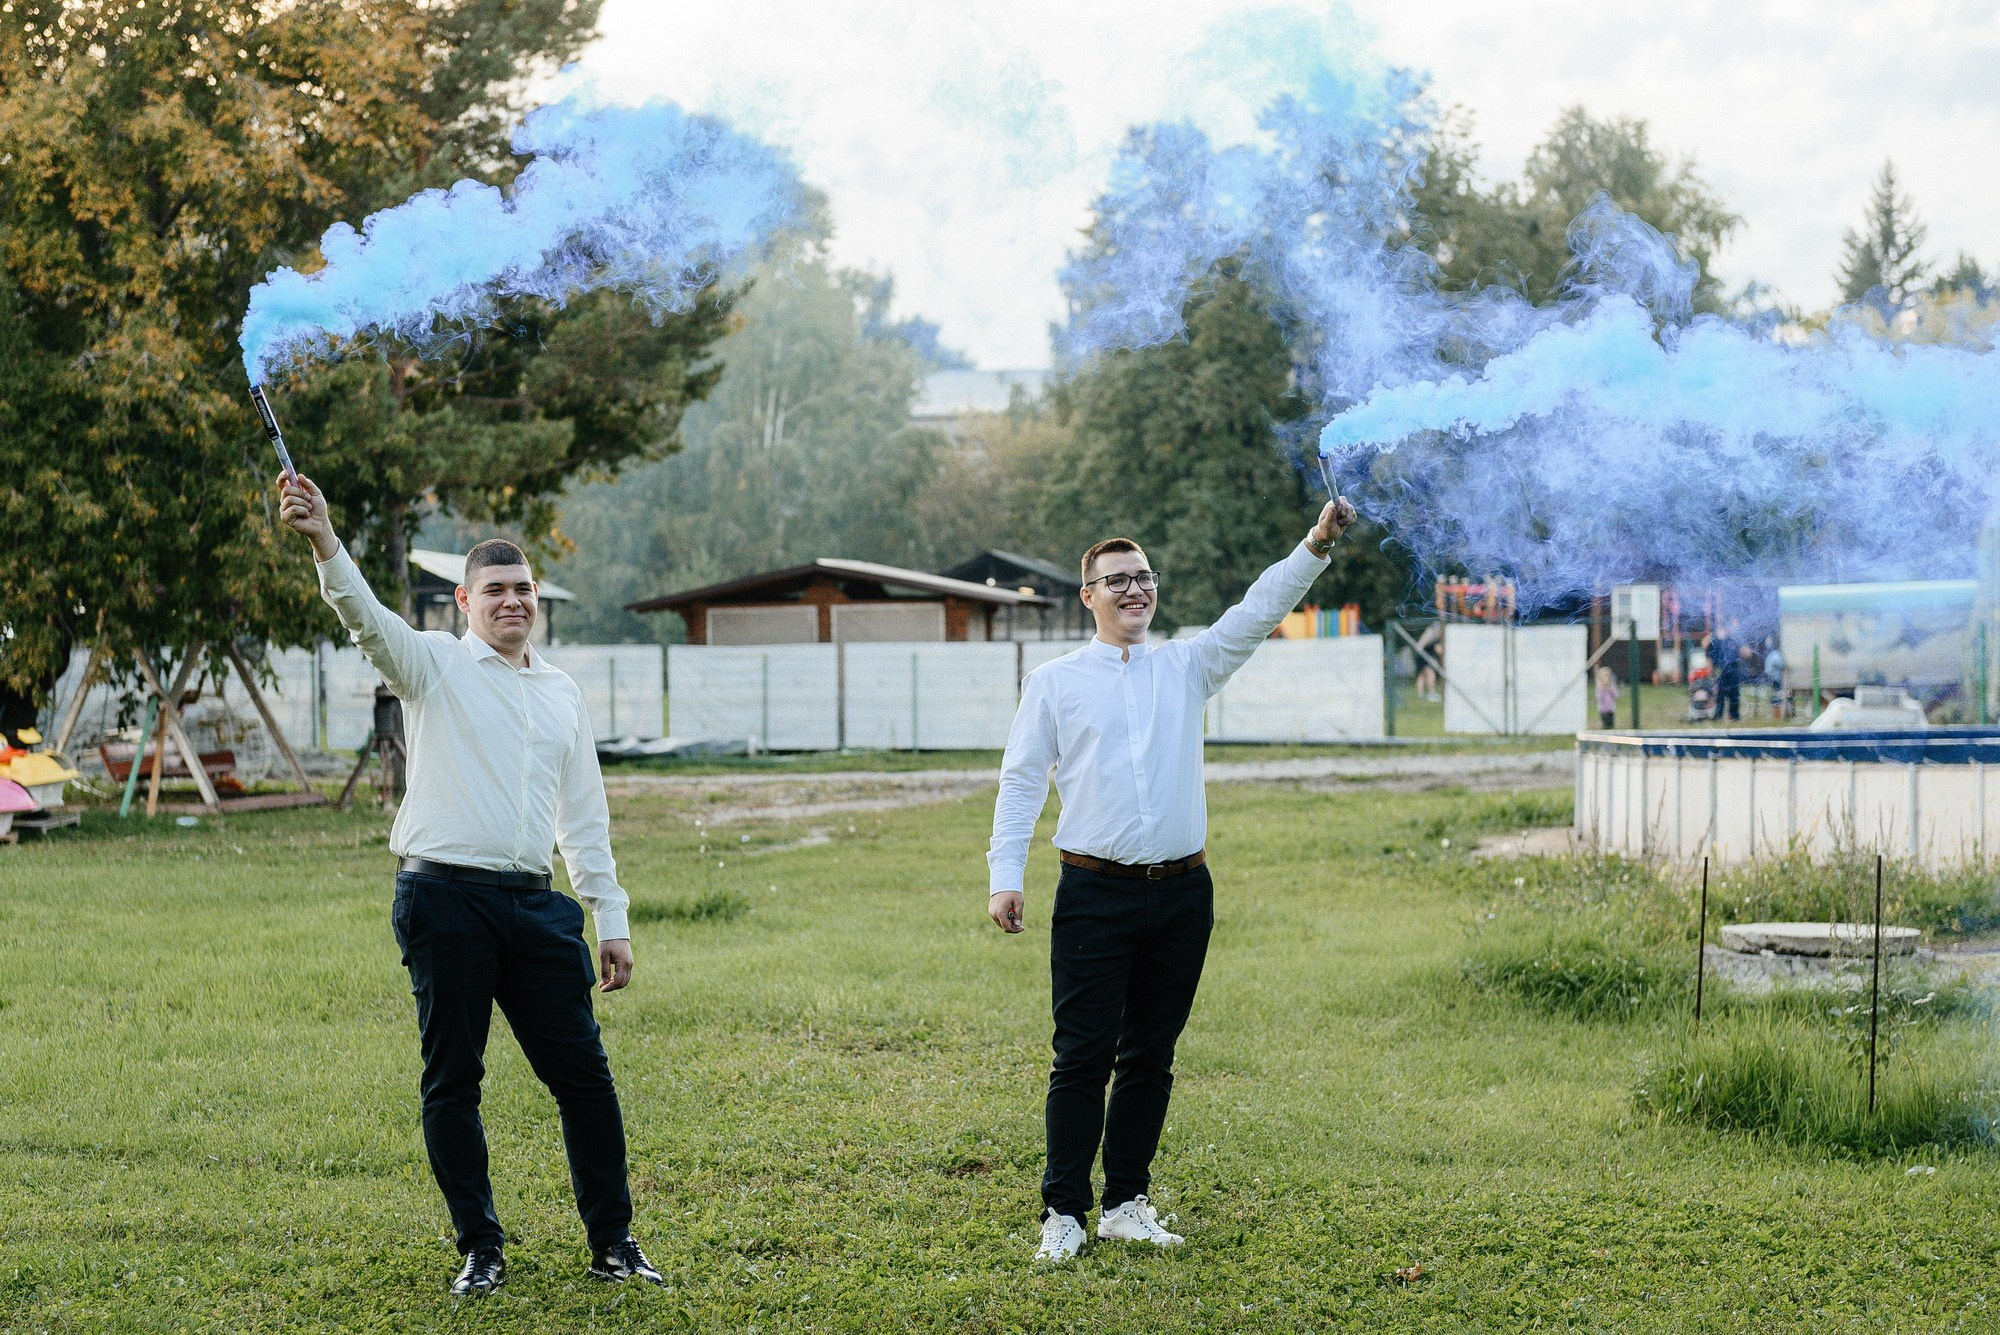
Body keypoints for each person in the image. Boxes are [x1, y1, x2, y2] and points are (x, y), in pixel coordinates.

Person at [279, 473, 663, 1298]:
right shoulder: (434, 665)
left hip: (536, 907)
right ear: (464, 600)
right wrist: (323, 539)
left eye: (523, 588)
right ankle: (480, 1247)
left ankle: (614, 1242)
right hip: (444, 901)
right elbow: (365, 619)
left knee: (586, 1081)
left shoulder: (561, 693)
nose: (513, 601)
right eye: (495, 590)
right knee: (454, 1080)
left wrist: (610, 915)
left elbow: (584, 815)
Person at [987, 496, 1357, 1263]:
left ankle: (1125, 1201)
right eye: (1116, 580)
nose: (1134, 590)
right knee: (1081, 1058)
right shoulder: (1054, 682)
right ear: (1088, 595)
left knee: (1150, 1056)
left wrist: (1315, 544)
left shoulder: (1187, 665)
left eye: (1144, 577)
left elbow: (1256, 611)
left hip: (1184, 894)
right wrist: (1005, 874)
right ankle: (1063, 1212)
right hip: (1094, 891)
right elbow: (1022, 781)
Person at [1708, 628, 1741, 723]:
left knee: (1734, 694)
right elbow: (1710, 657)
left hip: (1734, 670)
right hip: (1721, 671)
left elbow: (1743, 653)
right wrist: (1712, 673)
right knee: (1720, 695)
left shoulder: (1733, 641)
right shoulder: (1715, 642)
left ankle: (1734, 716)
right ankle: (1718, 715)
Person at [1764, 642, 1788, 719]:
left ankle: (1776, 714)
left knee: (1774, 696)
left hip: (1770, 679)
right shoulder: (1776, 655)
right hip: (1776, 679)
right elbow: (1782, 664)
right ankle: (1778, 714)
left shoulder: (1770, 655)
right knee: (1778, 696)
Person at [1595, 664, 1618, 730]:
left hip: (1610, 708)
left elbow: (1616, 695)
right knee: (1604, 721)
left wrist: (1611, 689)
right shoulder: (1600, 688)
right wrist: (1602, 689)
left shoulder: (1611, 686)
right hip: (1602, 708)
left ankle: (1610, 727)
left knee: (1610, 721)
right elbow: (1599, 697)